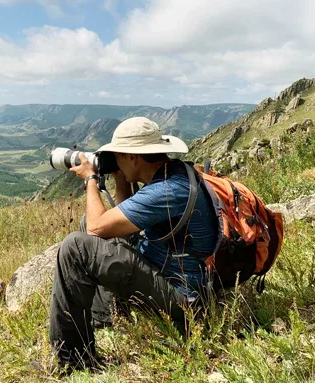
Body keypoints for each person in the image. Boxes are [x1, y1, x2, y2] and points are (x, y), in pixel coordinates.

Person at [48, 116, 219, 371]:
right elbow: (117, 221)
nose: (115, 160)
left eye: (117, 155)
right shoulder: (173, 174)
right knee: (92, 224)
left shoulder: (167, 190)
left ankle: (72, 362)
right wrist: (121, 179)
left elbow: (98, 227)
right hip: (173, 278)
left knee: (76, 246)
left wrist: (90, 180)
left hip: (184, 301)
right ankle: (105, 318)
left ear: (133, 157)